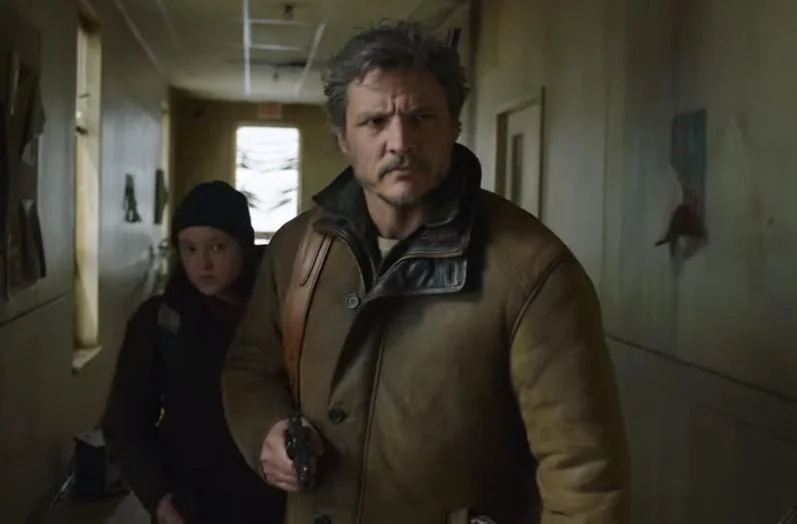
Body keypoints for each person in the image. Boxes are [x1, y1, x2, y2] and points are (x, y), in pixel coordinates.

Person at [221, 20, 630, 524]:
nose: (400, 142)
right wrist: (267, 428)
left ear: (453, 126)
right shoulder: (299, 248)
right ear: (343, 138)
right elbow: (250, 367)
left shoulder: (532, 271)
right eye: (375, 122)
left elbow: (585, 479)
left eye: (421, 117)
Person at [102, 181, 285, 524]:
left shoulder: (277, 314)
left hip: (270, 498)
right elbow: (126, 420)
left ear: (243, 246)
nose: (203, 263)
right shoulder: (160, 320)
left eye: (218, 247)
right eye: (189, 249)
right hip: (188, 502)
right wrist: (159, 498)